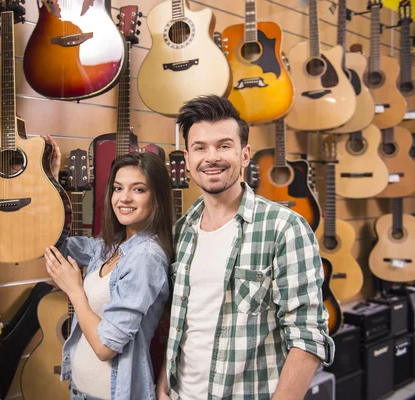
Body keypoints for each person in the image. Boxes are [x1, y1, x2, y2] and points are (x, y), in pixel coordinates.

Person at [155, 96, 335, 400]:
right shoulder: (182, 231)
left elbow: (308, 337)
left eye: (224, 145)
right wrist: (163, 385)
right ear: (187, 159)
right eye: (200, 147)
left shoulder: (284, 228)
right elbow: (181, 323)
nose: (211, 157)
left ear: (245, 154)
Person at [43, 139, 173, 400]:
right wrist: (50, 181)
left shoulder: (146, 258)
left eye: (138, 190)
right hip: (80, 391)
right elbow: (52, 243)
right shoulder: (110, 246)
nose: (124, 198)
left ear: (156, 197)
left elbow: (106, 347)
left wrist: (75, 291)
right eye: (117, 188)